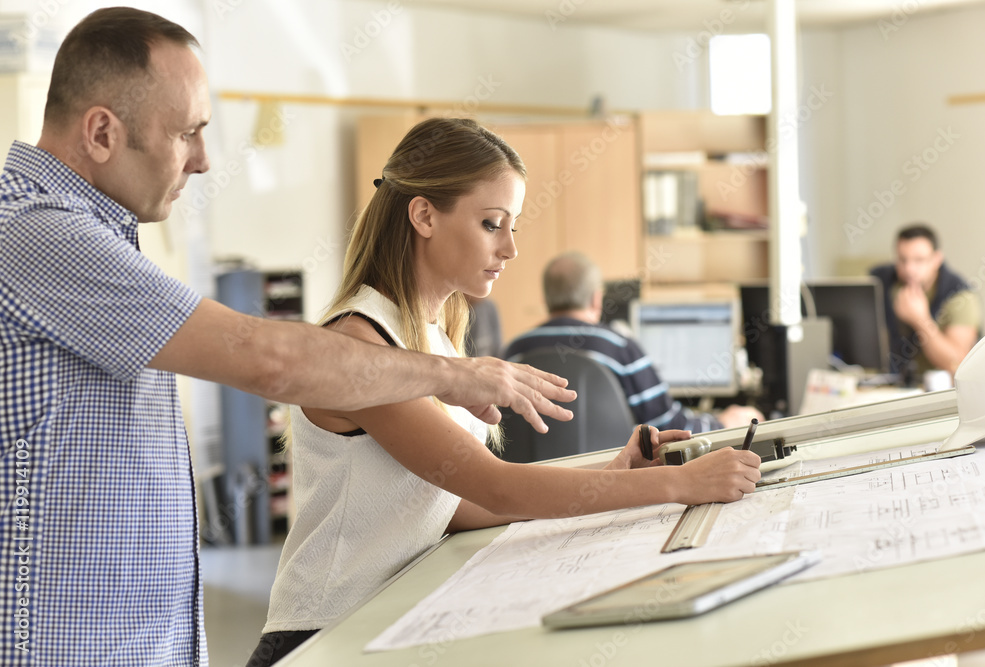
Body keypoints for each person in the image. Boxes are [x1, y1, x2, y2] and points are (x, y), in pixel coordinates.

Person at [0, 9, 576, 666]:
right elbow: (270, 360)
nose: (204, 159)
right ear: (102, 130)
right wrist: (457, 375)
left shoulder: (91, 237)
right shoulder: (33, 231)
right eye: (188, 133)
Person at [249, 118, 762, 665]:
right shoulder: (363, 343)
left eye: (512, 225)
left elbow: (457, 507)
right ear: (423, 215)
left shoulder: (434, 342)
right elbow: (496, 487)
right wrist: (677, 483)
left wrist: (614, 474)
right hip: (321, 637)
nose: (511, 248)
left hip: (388, 621)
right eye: (493, 224)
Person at [505, 252, 764, 432]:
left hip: (532, 491)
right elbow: (670, 427)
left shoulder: (513, 353)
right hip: (613, 485)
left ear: (547, 298)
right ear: (597, 299)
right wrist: (723, 422)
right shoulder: (618, 346)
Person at [870, 224, 980, 381]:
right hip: (893, 386)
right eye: (902, 260)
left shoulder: (961, 297)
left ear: (937, 259)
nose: (909, 269)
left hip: (938, 393)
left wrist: (921, 320)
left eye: (919, 260)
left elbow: (957, 364)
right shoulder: (882, 282)